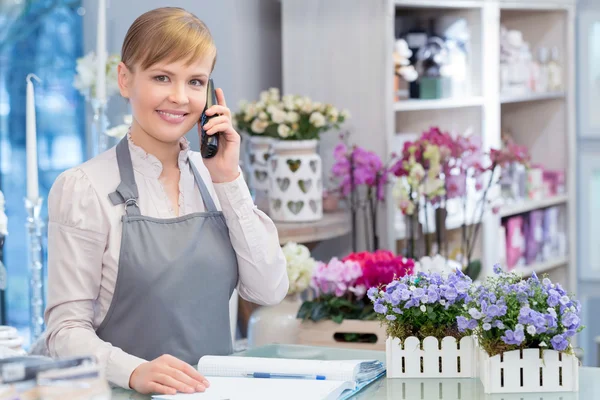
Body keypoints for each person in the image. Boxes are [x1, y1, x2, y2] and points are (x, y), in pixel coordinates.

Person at [43, 7, 288, 396]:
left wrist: (229, 178)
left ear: (210, 95)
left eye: (195, 81)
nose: (179, 97)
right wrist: (134, 371)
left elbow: (269, 289)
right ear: (125, 79)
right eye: (161, 77)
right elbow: (64, 331)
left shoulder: (216, 178)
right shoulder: (83, 188)